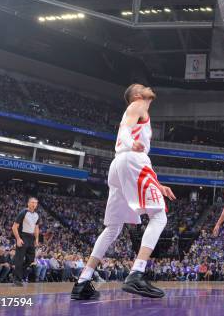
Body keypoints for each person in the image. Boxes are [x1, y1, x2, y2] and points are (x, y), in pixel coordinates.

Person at [71, 84, 176, 300]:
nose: (147, 87)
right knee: (159, 216)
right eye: (142, 86)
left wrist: (158, 184)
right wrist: (132, 143)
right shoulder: (137, 105)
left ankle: (82, 282)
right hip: (131, 159)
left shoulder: (140, 112)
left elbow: (135, 154)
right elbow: (124, 130)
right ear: (137, 95)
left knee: (113, 228)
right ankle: (136, 273)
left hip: (119, 165)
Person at [12, 197, 40, 286]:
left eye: (35, 203)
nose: (33, 204)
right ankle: (17, 280)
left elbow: (36, 228)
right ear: (28, 203)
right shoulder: (23, 212)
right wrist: (18, 239)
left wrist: (36, 239)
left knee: (31, 259)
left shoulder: (36, 215)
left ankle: (16, 274)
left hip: (31, 237)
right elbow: (14, 227)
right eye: (32, 202)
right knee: (19, 259)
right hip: (23, 236)